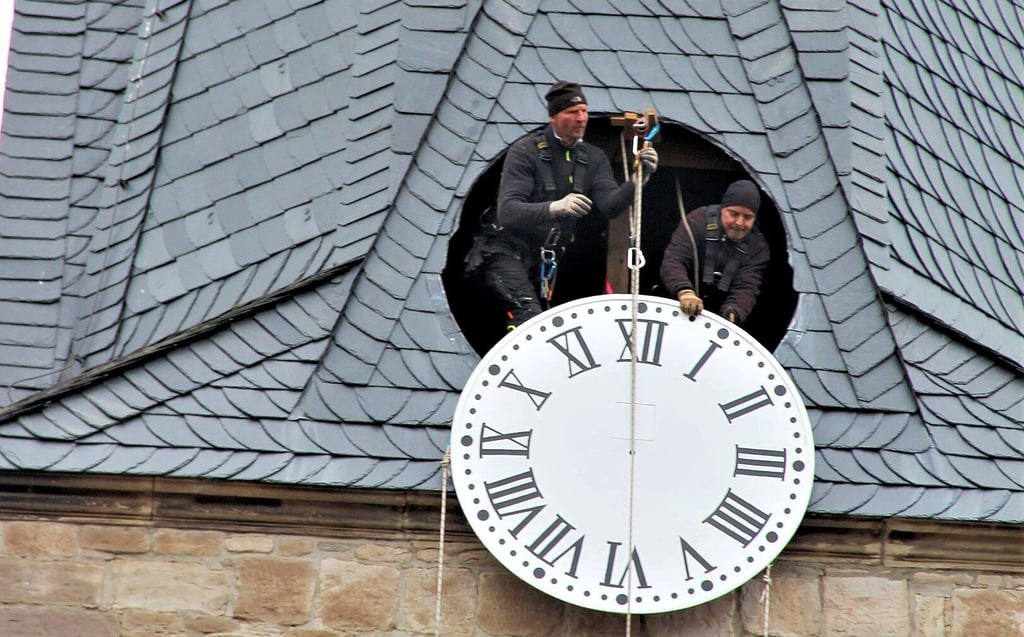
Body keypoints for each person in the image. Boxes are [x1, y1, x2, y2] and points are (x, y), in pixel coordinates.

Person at [464, 80, 659, 330]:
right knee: (529, 316)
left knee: (545, 320)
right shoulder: (526, 151)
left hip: (541, 260)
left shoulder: (592, 158)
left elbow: (610, 206)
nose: (581, 118)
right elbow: (508, 212)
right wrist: (556, 207)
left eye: (584, 111)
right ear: (554, 117)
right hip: (501, 251)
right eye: (572, 112)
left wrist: (639, 179)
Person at [660, 179, 769, 324]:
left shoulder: (758, 247)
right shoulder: (696, 221)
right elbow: (674, 260)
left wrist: (733, 312)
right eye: (734, 214)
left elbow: (746, 287)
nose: (739, 223)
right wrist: (685, 292)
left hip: (717, 319)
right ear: (722, 209)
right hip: (674, 308)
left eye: (747, 217)